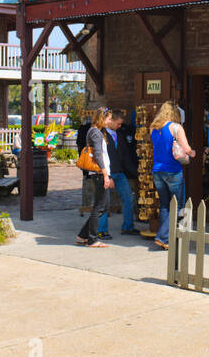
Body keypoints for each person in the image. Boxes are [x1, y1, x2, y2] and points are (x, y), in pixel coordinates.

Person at [150, 100, 194, 250]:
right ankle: (162, 236)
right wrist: (193, 153)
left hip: (157, 170)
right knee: (178, 204)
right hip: (173, 170)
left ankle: (166, 240)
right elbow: (186, 148)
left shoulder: (153, 128)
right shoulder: (176, 127)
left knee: (164, 205)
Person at [96, 109, 140, 238]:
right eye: (118, 123)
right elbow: (100, 156)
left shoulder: (119, 134)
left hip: (119, 173)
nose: (120, 126)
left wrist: (135, 173)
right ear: (111, 120)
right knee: (104, 202)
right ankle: (101, 230)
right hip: (106, 173)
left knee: (128, 198)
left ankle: (127, 227)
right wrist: (106, 175)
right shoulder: (101, 134)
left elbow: (125, 156)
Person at [76, 108, 114, 248]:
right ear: (101, 118)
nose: (110, 121)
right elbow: (98, 155)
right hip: (99, 173)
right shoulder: (96, 133)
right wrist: (105, 174)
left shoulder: (95, 131)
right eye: (108, 118)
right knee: (100, 207)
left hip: (100, 173)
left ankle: (82, 235)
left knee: (102, 206)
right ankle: (92, 239)